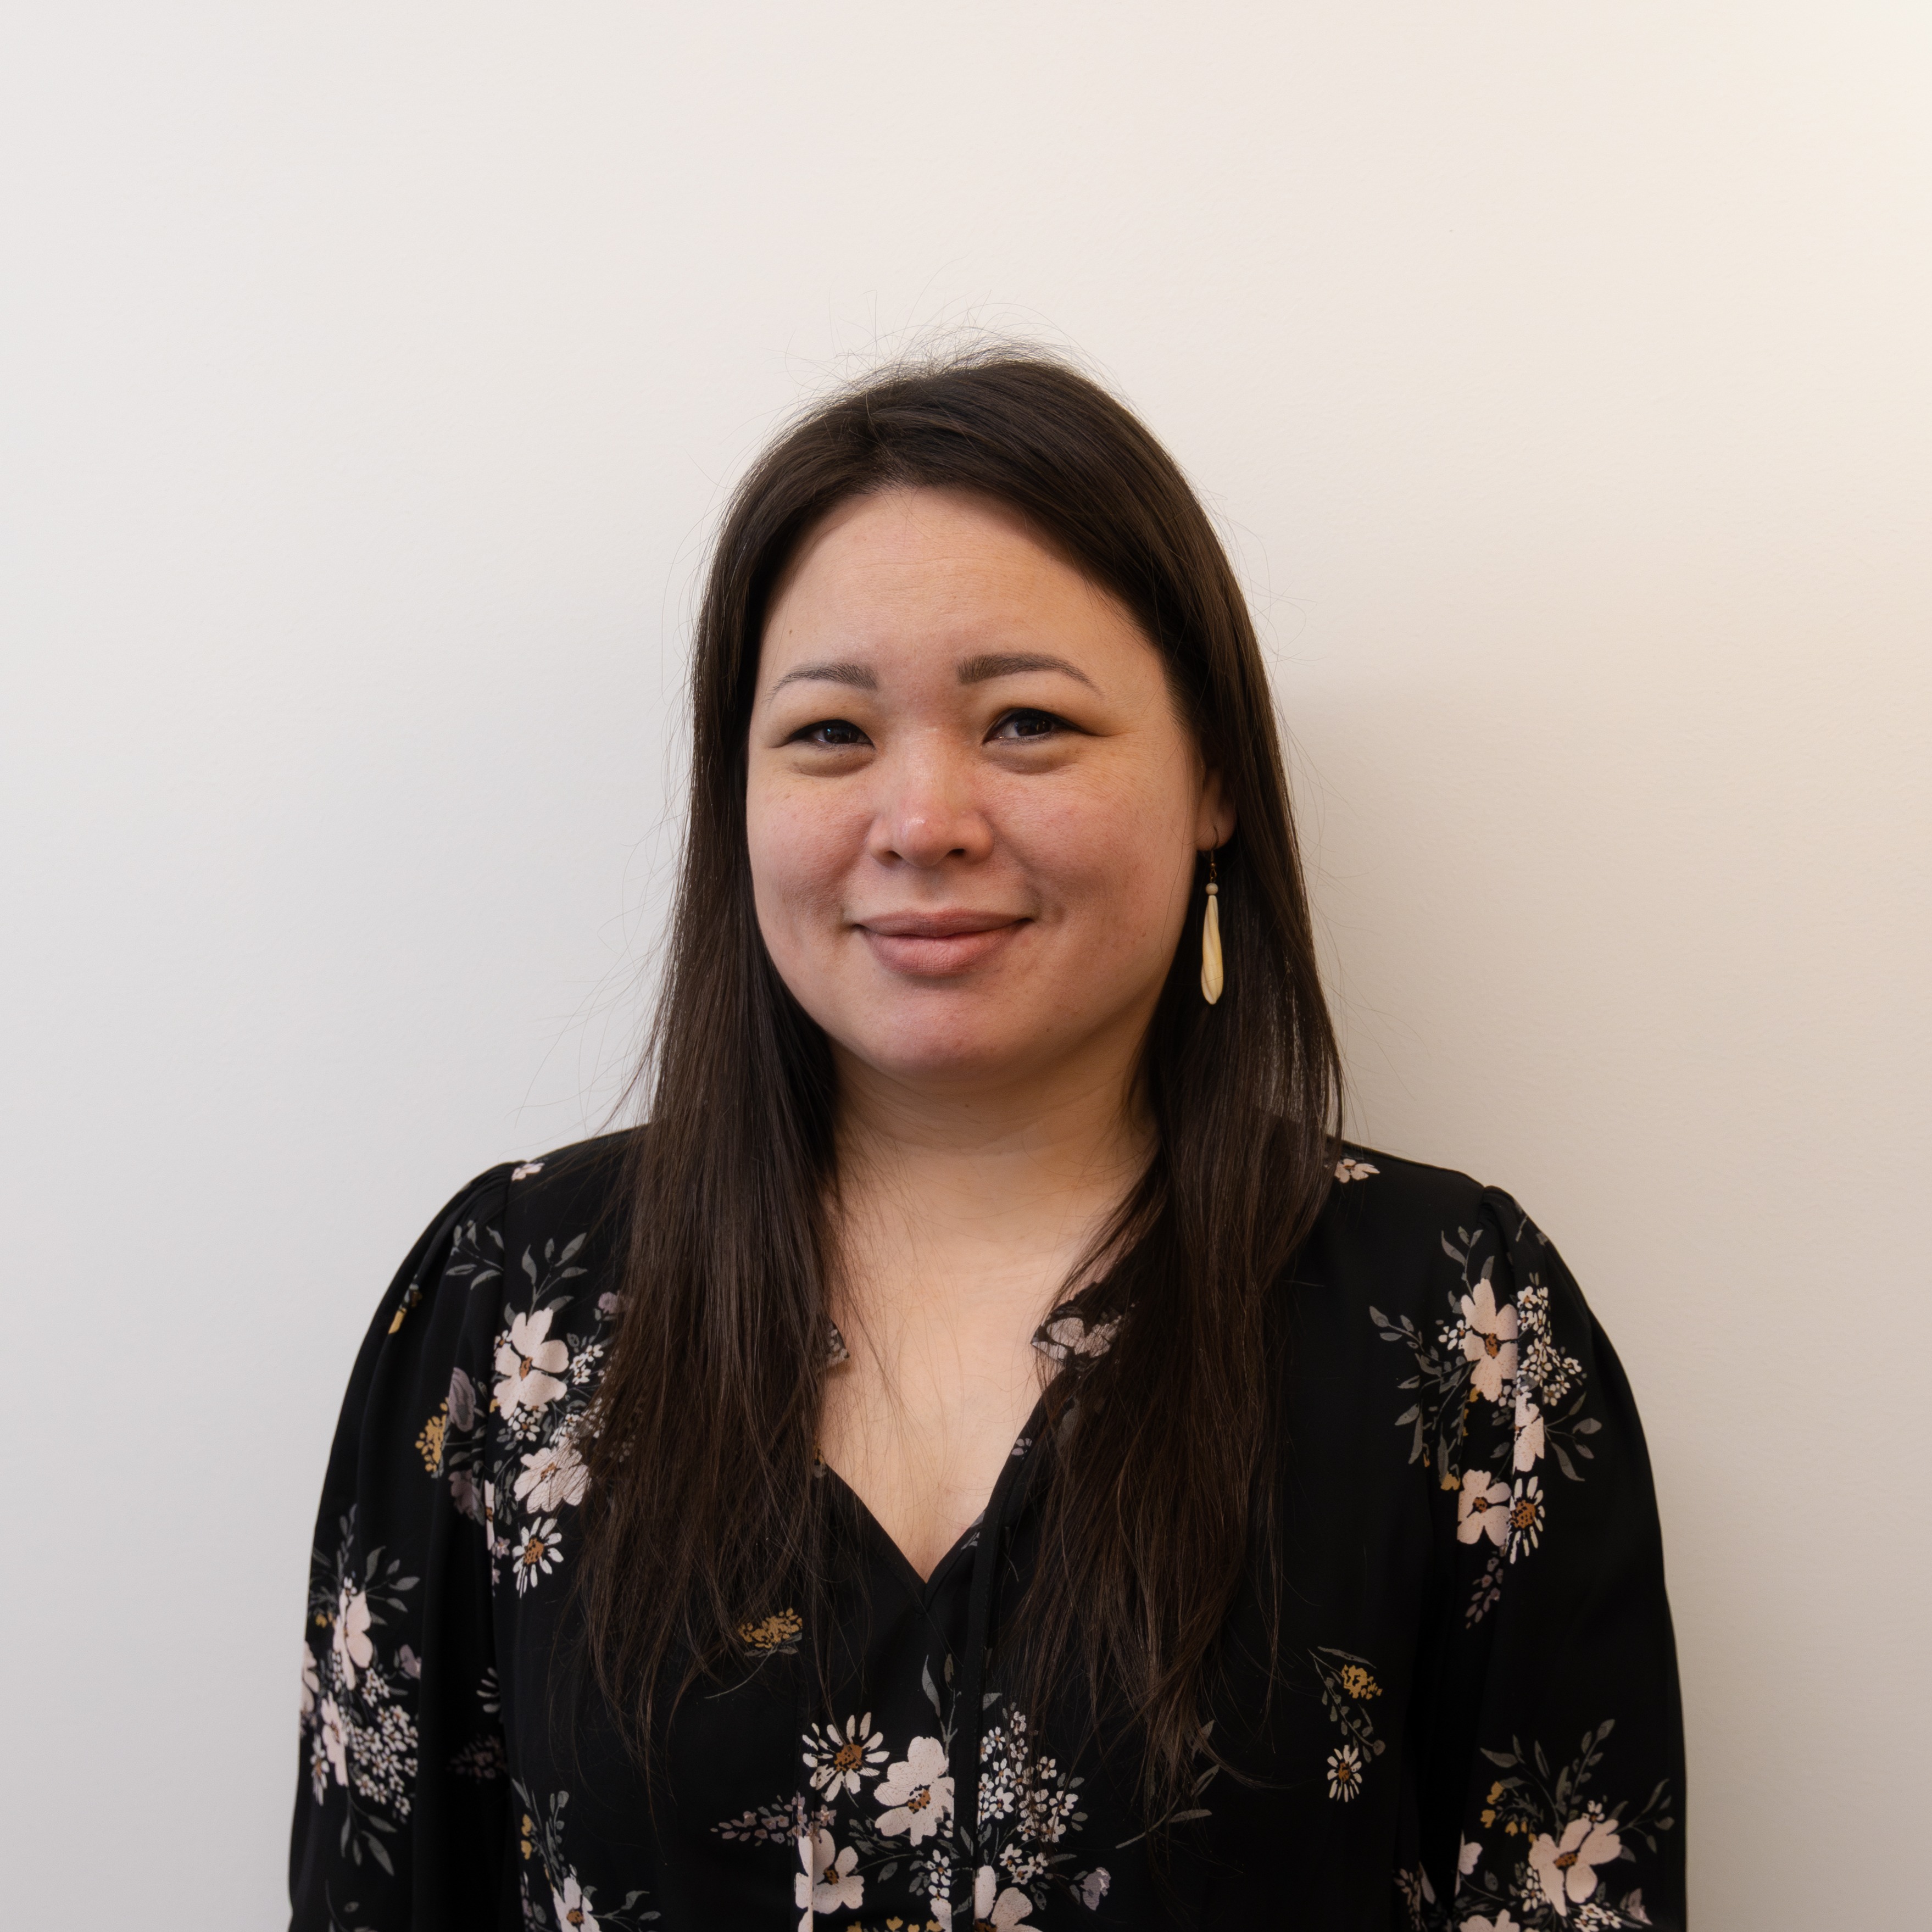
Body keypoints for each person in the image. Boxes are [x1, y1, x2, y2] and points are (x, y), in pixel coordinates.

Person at [290, 353, 1683, 1931]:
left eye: (1027, 722)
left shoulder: (1460, 1327)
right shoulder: (508, 1304)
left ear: (1215, 777)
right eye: (830, 734)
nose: (923, 822)